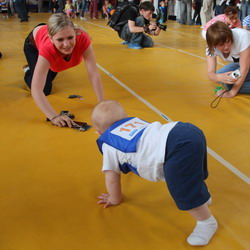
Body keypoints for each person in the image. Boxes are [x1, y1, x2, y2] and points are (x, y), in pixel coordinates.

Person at [91, 100, 218, 246]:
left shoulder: (108, 144)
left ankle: (206, 222)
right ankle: (202, 196)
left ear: (99, 133)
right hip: (187, 130)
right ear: (125, 117)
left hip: (176, 148)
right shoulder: (135, 123)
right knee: (191, 170)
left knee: (182, 187)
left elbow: (111, 177)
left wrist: (114, 199)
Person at [23, 13, 104, 127]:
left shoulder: (82, 38)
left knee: (52, 69)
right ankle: (28, 71)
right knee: (45, 88)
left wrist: (102, 103)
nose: (66, 44)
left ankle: (40, 67)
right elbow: (36, 90)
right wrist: (54, 116)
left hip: (53, 34)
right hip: (33, 44)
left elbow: (93, 73)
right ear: (51, 39)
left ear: (75, 32)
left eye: (70, 38)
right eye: (60, 40)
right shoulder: (48, 49)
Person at [206, 21, 250, 97]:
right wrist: (217, 77)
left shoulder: (243, 36)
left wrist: (231, 93)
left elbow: (244, 68)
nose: (226, 47)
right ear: (213, 45)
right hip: (242, 62)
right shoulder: (211, 48)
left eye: (228, 42)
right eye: (221, 45)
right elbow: (211, 74)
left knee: (230, 85)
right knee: (223, 76)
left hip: (245, 64)